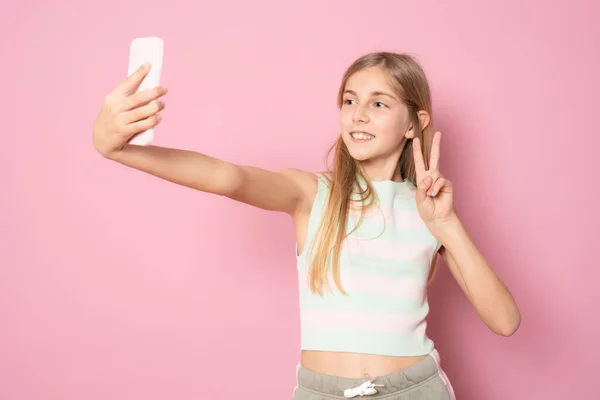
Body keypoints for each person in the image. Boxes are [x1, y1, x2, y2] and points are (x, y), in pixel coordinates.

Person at [92, 51, 521, 399]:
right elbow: (228, 177)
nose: (358, 115)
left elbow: (504, 321)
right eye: (349, 101)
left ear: (415, 122)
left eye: (378, 104)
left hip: (416, 390)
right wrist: (118, 150)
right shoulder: (313, 194)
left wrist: (446, 224)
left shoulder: (431, 209)